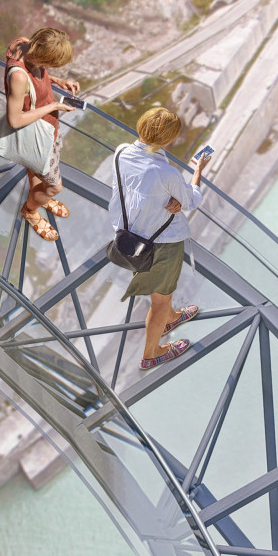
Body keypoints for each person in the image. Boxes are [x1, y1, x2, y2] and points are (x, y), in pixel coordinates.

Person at [109, 106, 210, 370]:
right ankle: (151, 353)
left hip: (131, 235)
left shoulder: (121, 152)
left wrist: (169, 199)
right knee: (160, 298)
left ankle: (171, 317)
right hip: (161, 244)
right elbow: (192, 200)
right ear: (167, 140)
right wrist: (198, 171)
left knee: (164, 287)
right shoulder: (166, 173)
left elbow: (138, 188)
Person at [2, 27, 79, 241]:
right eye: (51, 63)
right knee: (55, 187)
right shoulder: (18, 76)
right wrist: (53, 105)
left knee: (37, 173)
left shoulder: (22, 43)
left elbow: (34, 78)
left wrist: (55, 80)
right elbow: (14, 119)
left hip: (44, 130)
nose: (50, 67)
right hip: (37, 137)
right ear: (43, 56)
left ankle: (40, 197)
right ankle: (31, 210)